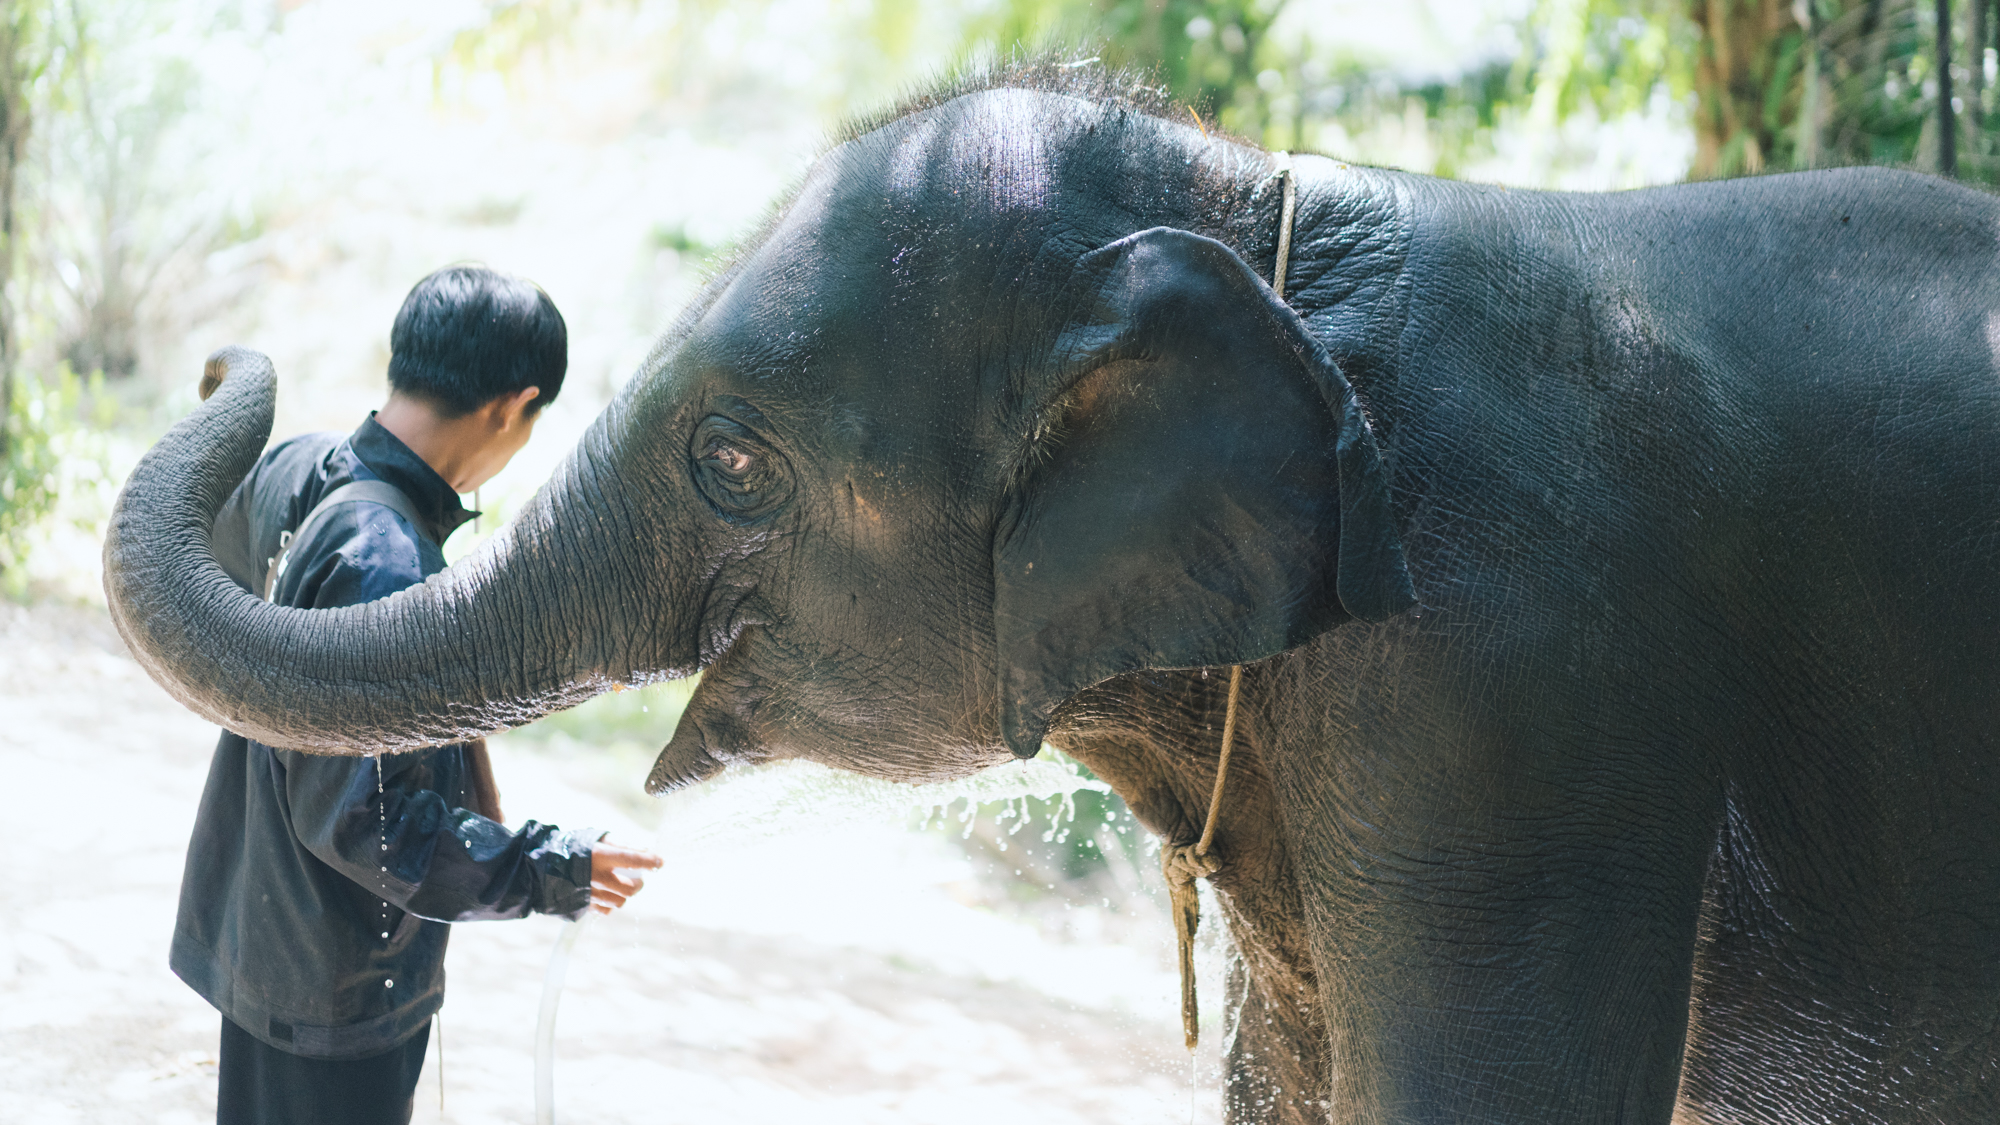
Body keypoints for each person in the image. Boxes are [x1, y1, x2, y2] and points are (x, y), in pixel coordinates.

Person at [172, 264, 664, 1125]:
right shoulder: (386, 561)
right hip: (333, 982)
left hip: (265, 930)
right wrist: (557, 868)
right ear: (512, 406)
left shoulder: (298, 471)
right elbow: (375, 828)